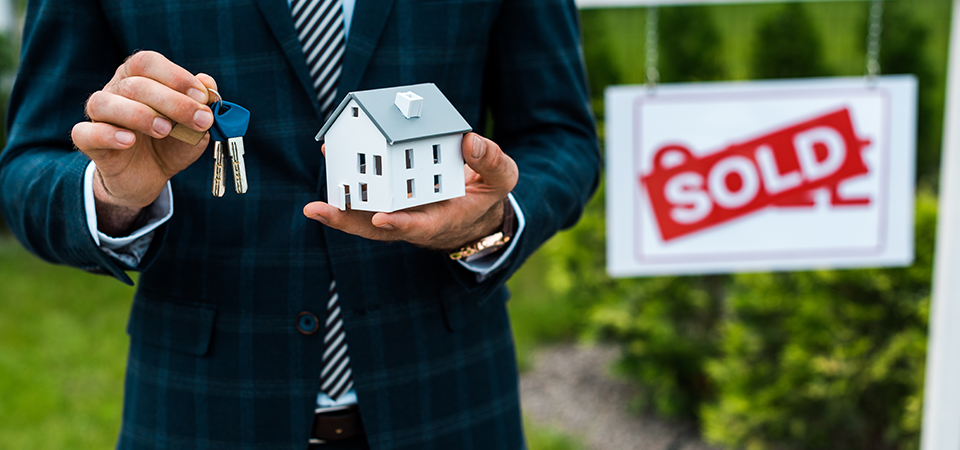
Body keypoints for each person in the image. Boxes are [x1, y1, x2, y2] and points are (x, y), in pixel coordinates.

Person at [0, 0, 600, 448]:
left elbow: (560, 137)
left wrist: (489, 222)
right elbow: (27, 167)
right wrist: (113, 195)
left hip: (448, 399)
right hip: (203, 410)